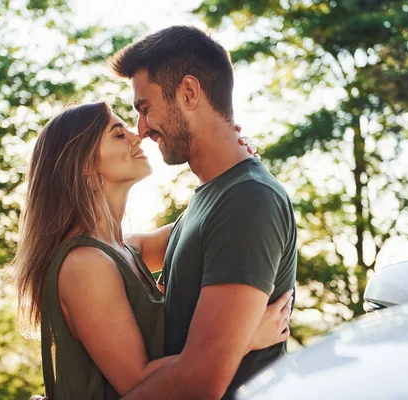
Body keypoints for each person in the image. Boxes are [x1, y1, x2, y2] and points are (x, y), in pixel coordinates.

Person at [12, 101, 293, 400]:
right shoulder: (85, 264)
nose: (138, 135)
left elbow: (214, 223)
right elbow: (138, 384)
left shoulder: (124, 249)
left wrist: (236, 156)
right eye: (118, 134)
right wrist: (242, 341)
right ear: (84, 165)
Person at [109, 25, 298, 399]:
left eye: (144, 108)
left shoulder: (248, 200)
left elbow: (201, 381)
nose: (141, 129)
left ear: (189, 93)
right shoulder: (212, 197)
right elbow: (118, 250)